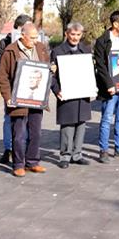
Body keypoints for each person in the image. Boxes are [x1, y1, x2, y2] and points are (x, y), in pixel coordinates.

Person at [0, 22, 49, 177]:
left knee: (36, 133)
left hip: (37, 99)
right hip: (18, 100)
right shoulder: (10, 51)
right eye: (32, 38)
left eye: (36, 37)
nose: (35, 41)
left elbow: (45, 68)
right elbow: (3, 78)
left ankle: (33, 161)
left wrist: (51, 68)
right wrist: (7, 97)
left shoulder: (40, 48)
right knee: (19, 134)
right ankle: (18, 164)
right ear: (23, 36)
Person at [50, 22, 92, 169]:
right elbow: (52, 76)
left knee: (81, 124)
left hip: (82, 94)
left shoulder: (86, 50)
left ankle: (77, 154)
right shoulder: (57, 51)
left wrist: (93, 87)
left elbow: (90, 73)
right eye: (72, 34)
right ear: (66, 34)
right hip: (66, 94)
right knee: (67, 125)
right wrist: (56, 90)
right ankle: (65, 156)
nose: (75, 38)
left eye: (78, 35)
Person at [0, 13, 31, 165]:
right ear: (19, 28)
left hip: (29, 86)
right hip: (12, 85)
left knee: (28, 119)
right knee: (9, 118)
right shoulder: (5, 42)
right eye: (26, 27)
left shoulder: (34, 41)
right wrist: (7, 67)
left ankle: (25, 148)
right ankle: (8, 149)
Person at [93, 11, 119, 163]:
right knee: (107, 118)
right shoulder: (102, 41)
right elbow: (100, 65)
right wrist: (109, 84)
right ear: (115, 24)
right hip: (109, 88)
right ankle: (103, 150)